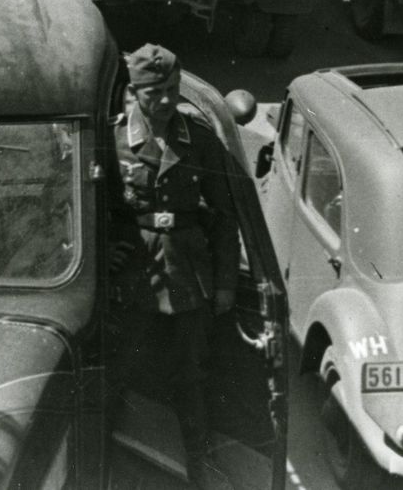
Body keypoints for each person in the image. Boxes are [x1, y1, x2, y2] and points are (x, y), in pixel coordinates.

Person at [108, 44, 238, 490]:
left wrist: (224, 285)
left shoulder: (197, 138)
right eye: (153, 92)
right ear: (134, 92)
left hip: (188, 274)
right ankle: (108, 466)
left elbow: (224, 216)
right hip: (135, 275)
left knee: (191, 378)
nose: (165, 101)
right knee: (120, 371)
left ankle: (196, 470)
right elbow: (94, 206)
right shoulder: (114, 139)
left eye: (171, 90)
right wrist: (106, 249)